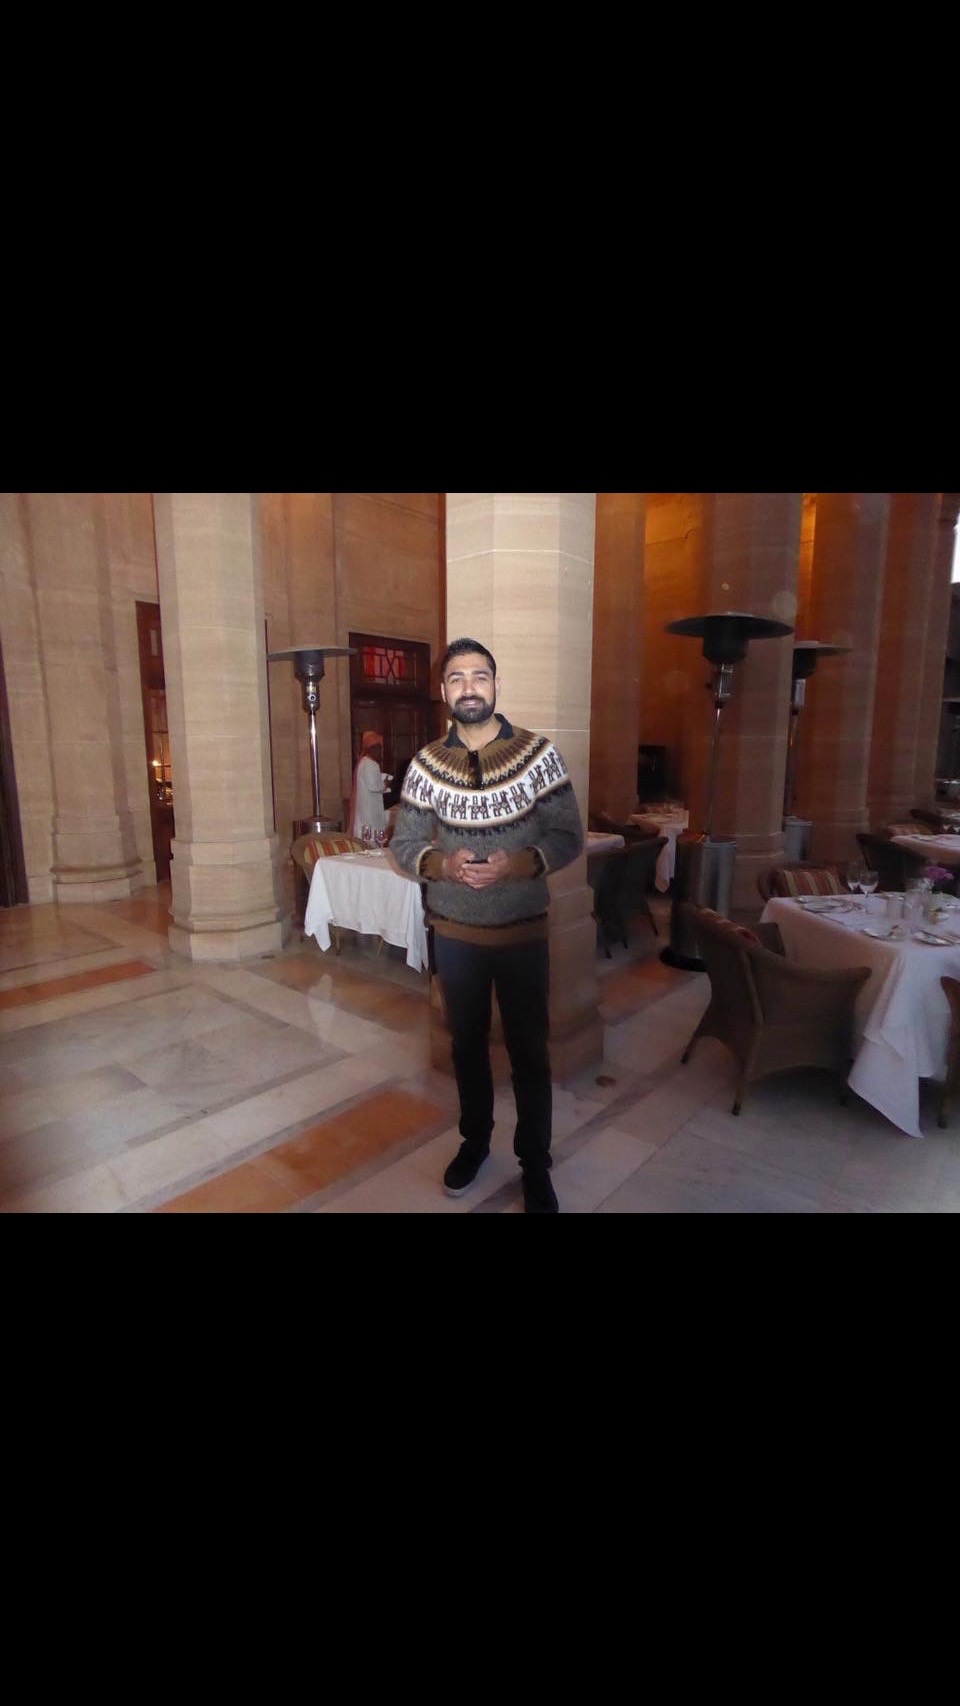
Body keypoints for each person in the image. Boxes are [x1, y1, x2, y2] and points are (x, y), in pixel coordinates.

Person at [390, 638, 584, 1213]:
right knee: (467, 1047)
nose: (469, 687)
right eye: (457, 678)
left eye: (479, 676)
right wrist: (442, 865)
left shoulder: (539, 755)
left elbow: (567, 836)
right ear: (443, 691)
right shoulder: (425, 765)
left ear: (496, 686)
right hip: (456, 937)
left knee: (530, 1053)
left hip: (522, 933)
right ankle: (474, 1142)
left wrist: (518, 864)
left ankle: (535, 1165)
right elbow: (404, 844)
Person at [348, 731, 392, 840]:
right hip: (370, 807)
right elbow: (374, 786)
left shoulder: (363, 762)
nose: (380, 752)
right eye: (379, 748)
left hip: (366, 805)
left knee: (366, 832)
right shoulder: (371, 764)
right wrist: (385, 784)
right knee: (371, 834)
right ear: (372, 748)